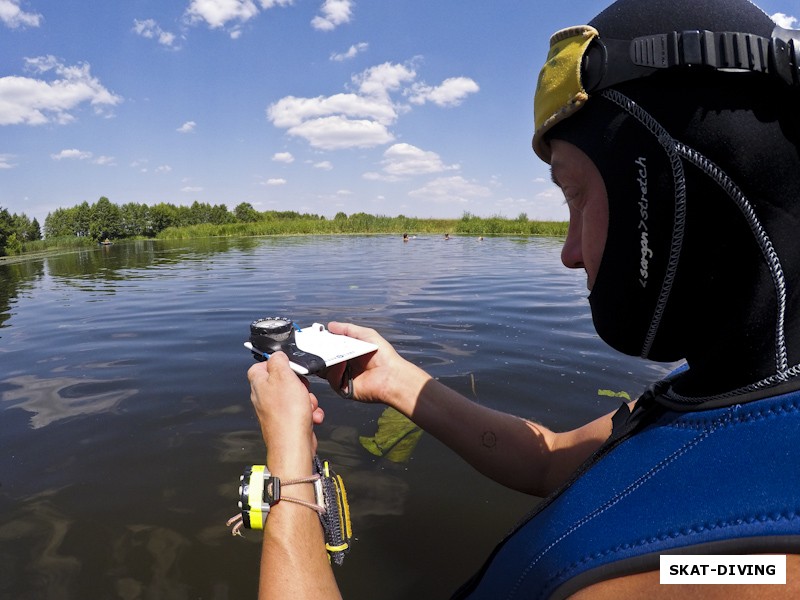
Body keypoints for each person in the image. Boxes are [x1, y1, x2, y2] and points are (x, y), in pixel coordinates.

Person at [246, 0, 800, 597]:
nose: (567, 253)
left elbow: (706, 571)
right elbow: (549, 460)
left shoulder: (736, 576)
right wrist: (395, 379)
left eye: (574, 193)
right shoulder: (716, 395)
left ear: (667, 190)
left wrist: (289, 471)